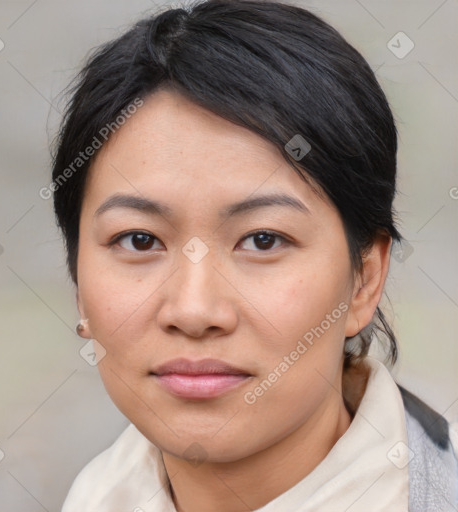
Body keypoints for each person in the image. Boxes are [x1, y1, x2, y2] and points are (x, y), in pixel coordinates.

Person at [50, 1, 458, 510]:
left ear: (365, 280)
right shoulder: (94, 497)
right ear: (79, 285)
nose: (195, 311)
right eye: (139, 240)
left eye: (263, 239)